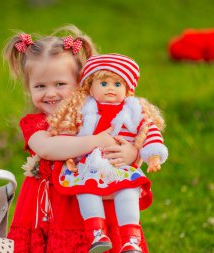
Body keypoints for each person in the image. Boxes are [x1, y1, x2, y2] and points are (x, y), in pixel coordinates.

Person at [3, 26, 146, 253]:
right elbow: (48, 148)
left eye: (60, 84)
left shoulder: (95, 119)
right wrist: (97, 141)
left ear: (81, 83)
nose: (50, 93)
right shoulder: (36, 122)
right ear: (29, 89)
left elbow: (125, 142)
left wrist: (132, 154)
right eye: (40, 86)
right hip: (54, 210)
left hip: (99, 199)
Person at [48, 53, 168, 253]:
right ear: (90, 87)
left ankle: (131, 239)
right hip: (90, 166)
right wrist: (70, 157)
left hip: (120, 166)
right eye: (103, 84)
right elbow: (69, 131)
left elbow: (149, 130)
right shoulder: (82, 109)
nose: (110, 89)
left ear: (128, 89)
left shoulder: (133, 110)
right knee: (87, 191)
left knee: (128, 193)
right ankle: (96, 233)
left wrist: (152, 154)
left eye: (117, 84)